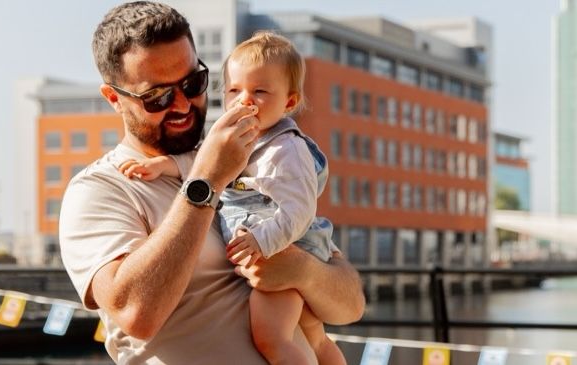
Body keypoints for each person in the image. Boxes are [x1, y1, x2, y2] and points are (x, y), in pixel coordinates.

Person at [58, 2, 365, 364]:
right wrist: (206, 180)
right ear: (114, 98)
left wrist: (302, 270)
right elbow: (136, 312)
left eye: (193, 83)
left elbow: (350, 306)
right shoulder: (99, 190)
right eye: (158, 96)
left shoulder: (250, 158)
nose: (184, 105)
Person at [118, 31, 344, 365]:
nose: (243, 101)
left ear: (290, 102)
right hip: (267, 249)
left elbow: (299, 210)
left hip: (278, 248)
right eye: (234, 90)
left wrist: (261, 242)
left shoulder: (287, 149)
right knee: (315, 338)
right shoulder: (240, 136)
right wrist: (162, 166)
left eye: (260, 92)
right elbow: (204, 161)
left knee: (272, 338)